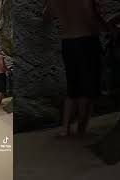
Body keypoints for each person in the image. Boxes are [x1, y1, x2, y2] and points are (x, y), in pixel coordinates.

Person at [43, 0, 108, 137]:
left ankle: (65, 129)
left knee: (73, 88)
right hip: (86, 39)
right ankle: (81, 128)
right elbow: (89, 12)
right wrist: (103, 28)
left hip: (67, 42)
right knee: (88, 87)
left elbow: (47, 15)